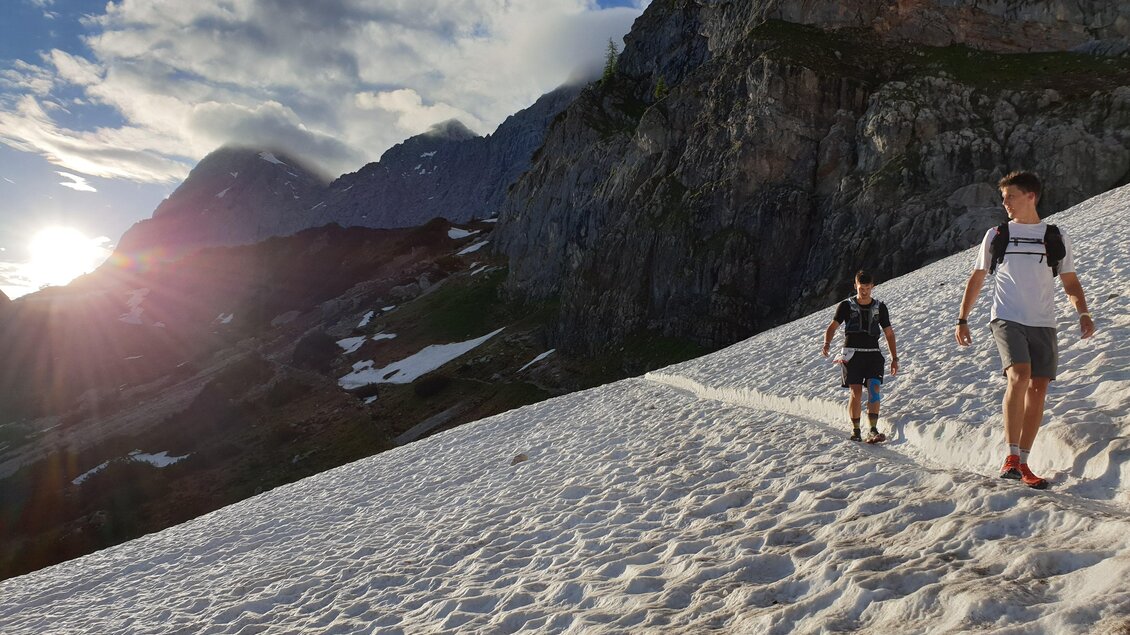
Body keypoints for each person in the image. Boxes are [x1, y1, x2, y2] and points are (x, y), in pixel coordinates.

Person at [955, 170, 1095, 489]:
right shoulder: (997, 235)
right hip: (1006, 317)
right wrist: (962, 318)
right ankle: (1011, 456)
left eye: (1011, 196)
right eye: (1003, 198)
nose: (1005, 203)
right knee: (1019, 374)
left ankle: (1024, 461)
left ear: (1031, 196)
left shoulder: (1055, 236)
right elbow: (977, 278)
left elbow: (1070, 281)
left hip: (1043, 321)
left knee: (1039, 386)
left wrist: (1083, 313)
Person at [822, 270, 899, 442]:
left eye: (867, 288)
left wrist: (895, 358)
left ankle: (872, 429)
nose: (864, 291)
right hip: (852, 355)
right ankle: (856, 430)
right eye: (860, 288)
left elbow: (889, 333)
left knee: (874, 389)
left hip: (873, 354)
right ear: (855, 286)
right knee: (856, 392)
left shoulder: (880, 307)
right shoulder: (846, 306)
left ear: (872, 286)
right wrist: (827, 344)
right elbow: (832, 327)